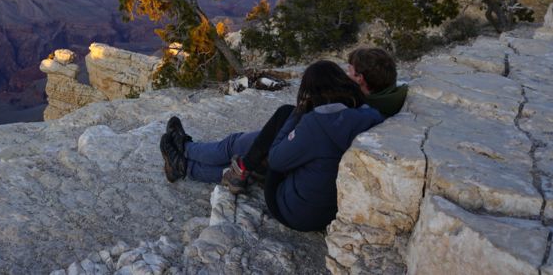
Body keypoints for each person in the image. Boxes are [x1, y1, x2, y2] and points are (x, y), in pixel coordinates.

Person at [159, 60, 387, 232]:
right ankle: (185, 164)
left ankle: (185, 150)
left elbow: (277, 158)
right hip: (322, 207)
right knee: (260, 142)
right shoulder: (368, 115)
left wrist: (298, 116)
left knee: (240, 147)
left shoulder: (315, 124)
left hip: (291, 209)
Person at [346, 47, 408, 118]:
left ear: (359, 78)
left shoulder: (365, 112)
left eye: (349, 69)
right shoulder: (404, 93)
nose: (347, 73)